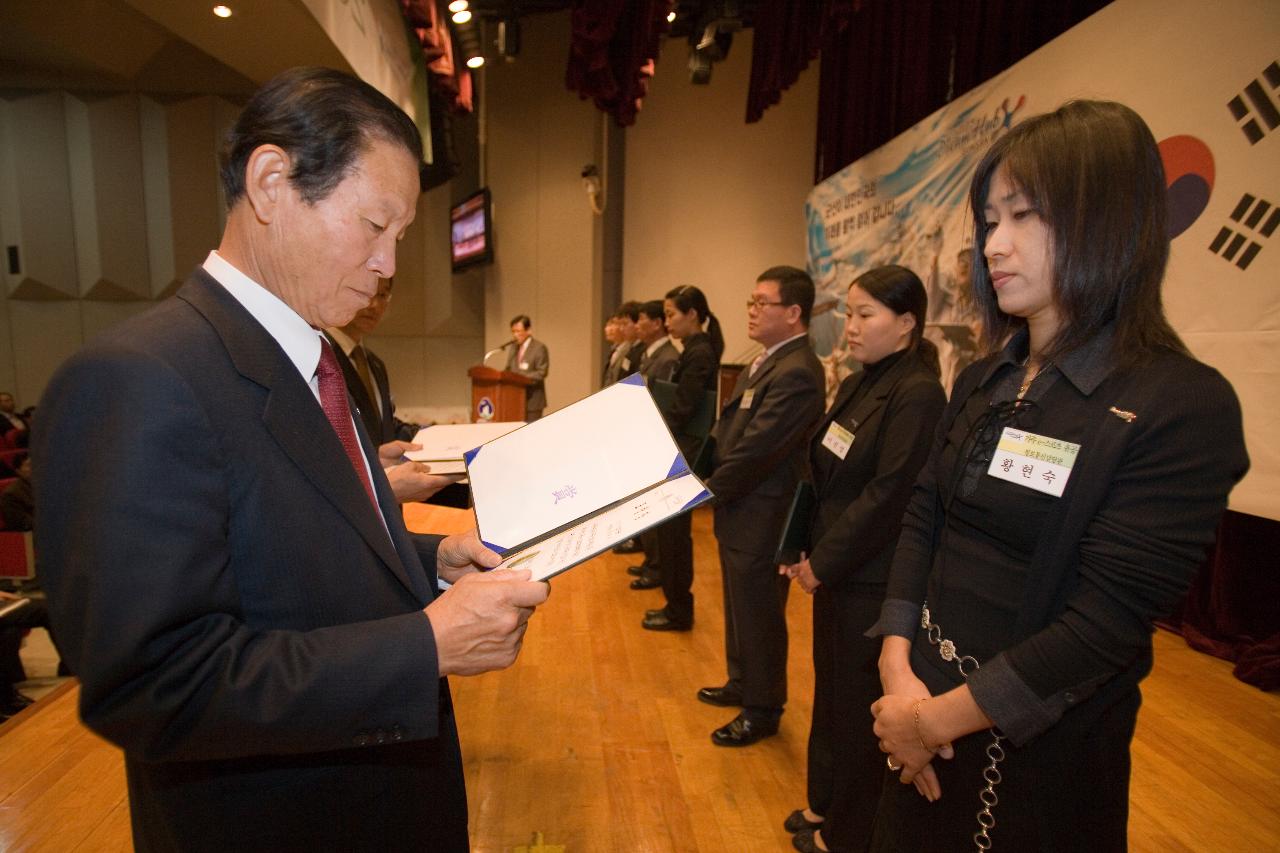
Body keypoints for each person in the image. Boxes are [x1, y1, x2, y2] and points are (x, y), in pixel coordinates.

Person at [33, 67, 549, 853]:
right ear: (272, 182)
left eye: (401, 237)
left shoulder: (315, 362)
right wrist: (423, 646)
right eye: (375, 225)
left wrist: (430, 557)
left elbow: (289, 542)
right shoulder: (140, 377)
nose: (388, 264)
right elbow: (153, 684)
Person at [868, 100, 1248, 851]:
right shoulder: (983, 375)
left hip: (1035, 752)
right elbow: (923, 514)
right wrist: (894, 661)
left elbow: (1102, 626)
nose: (993, 245)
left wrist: (930, 722)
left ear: (1108, 221)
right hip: (913, 701)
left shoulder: (1180, 403)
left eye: (1024, 215)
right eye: (988, 220)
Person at [780, 266, 946, 853]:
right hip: (836, 570)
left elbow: (890, 494)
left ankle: (849, 836)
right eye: (848, 314)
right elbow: (823, 473)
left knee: (857, 711)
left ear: (906, 323)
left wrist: (823, 561)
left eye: (865, 315)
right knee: (832, 696)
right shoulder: (861, 381)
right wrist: (799, 547)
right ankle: (828, 805)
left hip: (871, 578)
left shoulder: (918, 392)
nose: (849, 327)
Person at [699, 266, 825, 746]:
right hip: (742, 507)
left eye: (761, 303)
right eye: (750, 302)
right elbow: (730, 430)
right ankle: (741, 682)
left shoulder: (798, 372)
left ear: (793, 313)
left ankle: (763, 708)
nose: (750, 311)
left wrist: (709, 491)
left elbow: (758, 449)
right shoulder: (766, 361)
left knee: (760, 615)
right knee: (739, 606)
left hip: (764, 511)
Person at [326, 278, 457, 504]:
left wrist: (440, 437)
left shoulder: (374, 364)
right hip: (350, 505)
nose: (375, 305)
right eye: (367, 292)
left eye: (383, 295)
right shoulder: (322, 360)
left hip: (389, 507)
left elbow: (385, 425)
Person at [641, 285, 723, 632]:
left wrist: (654, 428)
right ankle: (674, 605)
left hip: (684, 450)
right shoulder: (693, 348)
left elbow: (685, 407)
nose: (668, 321)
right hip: (680, 446)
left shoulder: (700, 351)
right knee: (671, 536)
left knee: (675, 537)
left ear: (692, 314)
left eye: (673, 314)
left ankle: (679, 610)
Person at [626, 299, 681, 590]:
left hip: (653, 438)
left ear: (657, 323)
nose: (636, 325)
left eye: (642, 319)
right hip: (640, 434)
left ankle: (658, 566)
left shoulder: (668, 357)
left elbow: (660, 402)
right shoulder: (650, 355)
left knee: (654, 509)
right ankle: (652, 560)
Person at [506, 314, 549, 420]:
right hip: (514, 400)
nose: (515, 335)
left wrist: (520, 376)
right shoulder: (513, 348)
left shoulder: (539, 348)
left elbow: (541, 372)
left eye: (518, 331)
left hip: (532, 402)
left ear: (528, 330)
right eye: (513, 331)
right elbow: (508, 369)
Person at [1, 453, 33, 531]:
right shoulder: (11, 494)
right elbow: (22, 523)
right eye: (29, 465)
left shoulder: (50, 486)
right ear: (18, 471)